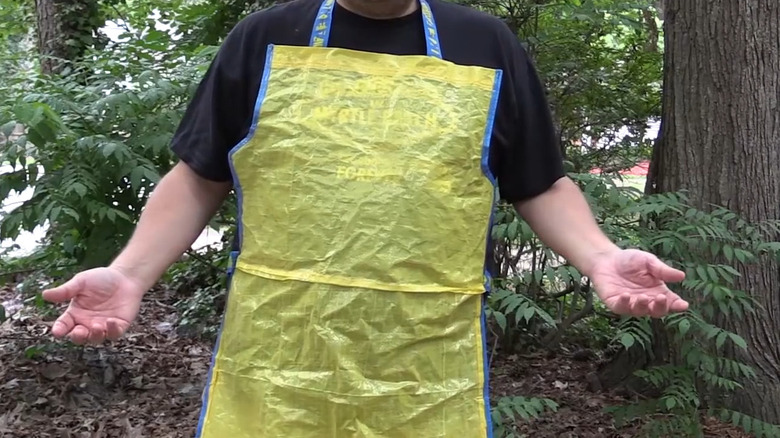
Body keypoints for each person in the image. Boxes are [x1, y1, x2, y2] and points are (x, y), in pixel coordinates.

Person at [41, 0, 689, 436]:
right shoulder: (265, 38)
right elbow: (198, 176)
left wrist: (601, 257)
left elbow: (538, 183)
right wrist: (130, 274)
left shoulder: (484, 44)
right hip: (278, 360)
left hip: (424, 364)